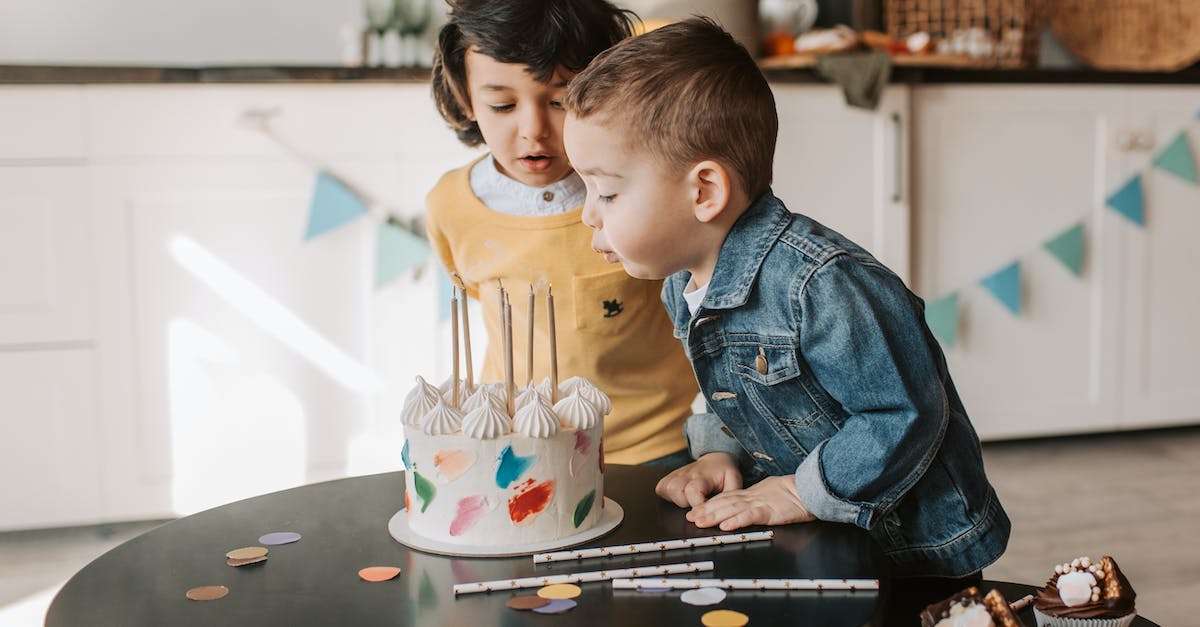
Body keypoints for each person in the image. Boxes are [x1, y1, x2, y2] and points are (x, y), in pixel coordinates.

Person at [562, 16, 1010, 612]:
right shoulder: (683, 284)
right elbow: (733, 392)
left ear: (703, 192)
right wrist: (717, 453)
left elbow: (904, 414)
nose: (588, 215)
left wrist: (802, 492)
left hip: (914, 549)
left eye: (607, 192)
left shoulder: (822, 284)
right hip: (826, 537)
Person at [425, 0, 698, 467]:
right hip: (516, 446)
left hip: (654, 450)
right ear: (466, 97)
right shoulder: (449, 206)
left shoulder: (649, 194)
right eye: (502, 104)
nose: (533, 130)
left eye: (559, 101)